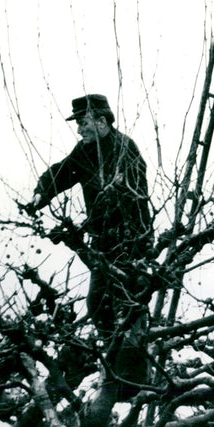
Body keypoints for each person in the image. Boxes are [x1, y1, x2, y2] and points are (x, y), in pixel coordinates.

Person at [23, 94, 153, 399]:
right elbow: (63, 172)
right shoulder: (86, 151)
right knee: (97, 304)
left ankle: (134, 381)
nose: (80, 130)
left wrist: (90, 223)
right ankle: (115, 373)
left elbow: (128, 195)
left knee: (128, 306)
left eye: (83, 123)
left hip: (129, 240)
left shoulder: (125, 150)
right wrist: (40, 195)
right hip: (103, 243)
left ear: (101, 121)